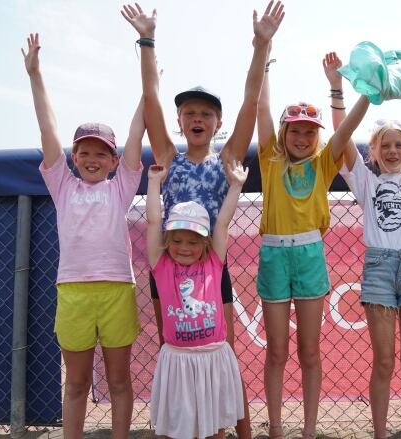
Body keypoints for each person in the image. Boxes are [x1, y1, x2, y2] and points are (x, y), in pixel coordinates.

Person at [121, 4, 284, 437]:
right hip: (167, 270)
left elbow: (251, 98)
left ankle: (239, 430)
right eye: (189, 113)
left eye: (205, 113)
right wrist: (147, 40)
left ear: (218, 123)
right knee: (171, 349)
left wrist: (261, 45)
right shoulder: (168, 157)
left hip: (212, 267)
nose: (197, 118)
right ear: (179, 121)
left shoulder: (227, 158)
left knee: (223, 352)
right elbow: (152, 98)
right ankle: (183, 428)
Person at [22, 34, 145, 439]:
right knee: (75, 384)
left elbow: (138, 132)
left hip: (116, 291)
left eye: (101, 154)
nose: (92, 160)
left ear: (113, 161)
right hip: (73, 293)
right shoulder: (62, 185)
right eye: (84, 153)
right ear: (74, 158)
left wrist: (149, 91)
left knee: (119, 382)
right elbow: (47, 127)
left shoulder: (120, 187)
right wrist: (36, 75)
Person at [255, 46, 373, 438]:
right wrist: (264, 60)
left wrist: (352, 89)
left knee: (309, 351)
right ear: (284, 133)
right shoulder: (270, 161)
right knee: (276, 351)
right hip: (273, 255)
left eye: (310, 131)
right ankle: (274, 428)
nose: (303, 137)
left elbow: (348, 127)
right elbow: (261, 109)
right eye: (295, 129)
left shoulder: (324, 162)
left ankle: (307, 430)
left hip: (309, 256)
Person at [326, 48, 401, 439]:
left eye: (398, 145)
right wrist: (336, 88)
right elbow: (342, 139)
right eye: (384, 145)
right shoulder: (366, 182)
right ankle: (379, 433)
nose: (392, 151)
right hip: (378, 269)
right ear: (373, 151)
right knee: (383, 361)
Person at [145, 160, 248, 439]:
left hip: (213, 358)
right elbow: (153, 220)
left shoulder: (214, 261)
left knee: (216, 429)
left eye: (192, 241)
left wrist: (236, 185)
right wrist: (154, 183)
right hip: (177, 361)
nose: (184, 247)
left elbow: (223, 222)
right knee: (174, 429)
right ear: (168, 239)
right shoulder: (161, 265)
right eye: (177, 240)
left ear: (205, 241)